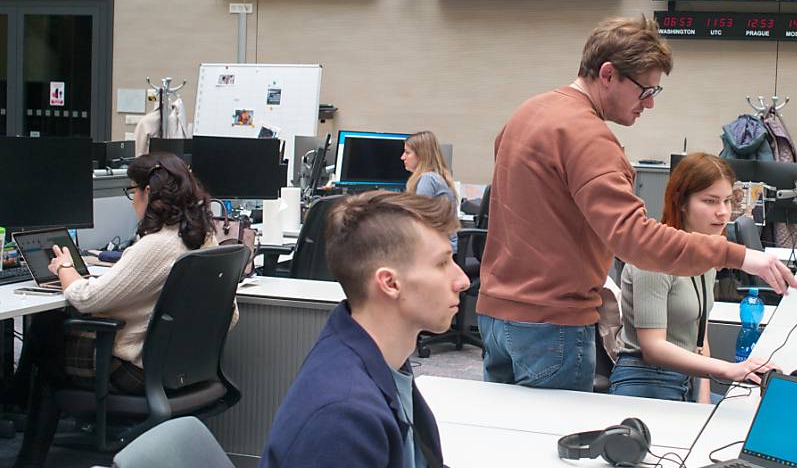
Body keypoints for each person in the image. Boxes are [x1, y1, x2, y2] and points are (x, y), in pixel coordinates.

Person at [477, 16, 797, 392]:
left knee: (507, 435)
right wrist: (741, 256)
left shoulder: (527, 114)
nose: (649, 105)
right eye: (645, 91)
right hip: (552, 323)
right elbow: (636, 240)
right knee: (552, 442)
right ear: (608, 74)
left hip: (496, 315)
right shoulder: (588, 137)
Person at [10, 153, 229, 467]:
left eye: (132, 191)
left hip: (138, 371)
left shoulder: (156, 245)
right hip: (184, 368)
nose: (131, 200)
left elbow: (86, 298)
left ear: (149, 193)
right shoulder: (204, 239)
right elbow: (229, 315)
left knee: (47, 338)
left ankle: (27, 454)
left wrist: (64, 268)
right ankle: (21, 412)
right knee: (50, 332)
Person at [261, 191, 468, 468]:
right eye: (442, 263)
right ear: (390, 283)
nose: (463, 280)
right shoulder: (341, 420)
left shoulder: (384, 359)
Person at [610, 153, 778, 402]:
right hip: (646, 382)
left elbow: (700, 336)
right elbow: (653, 348)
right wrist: (728, 370)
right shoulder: (655, 257)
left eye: (727, 201)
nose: (722, 213)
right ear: (681, 202)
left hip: (687, 379)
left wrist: (704, 399)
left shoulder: (707, 254)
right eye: (710, 201)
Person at [402, 130, 459, 253]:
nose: (402, 157)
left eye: (407, 153)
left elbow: (418, 218)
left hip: (438, 249)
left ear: (422, 155)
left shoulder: (428, 179)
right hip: (441, 246)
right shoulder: (437, 176)